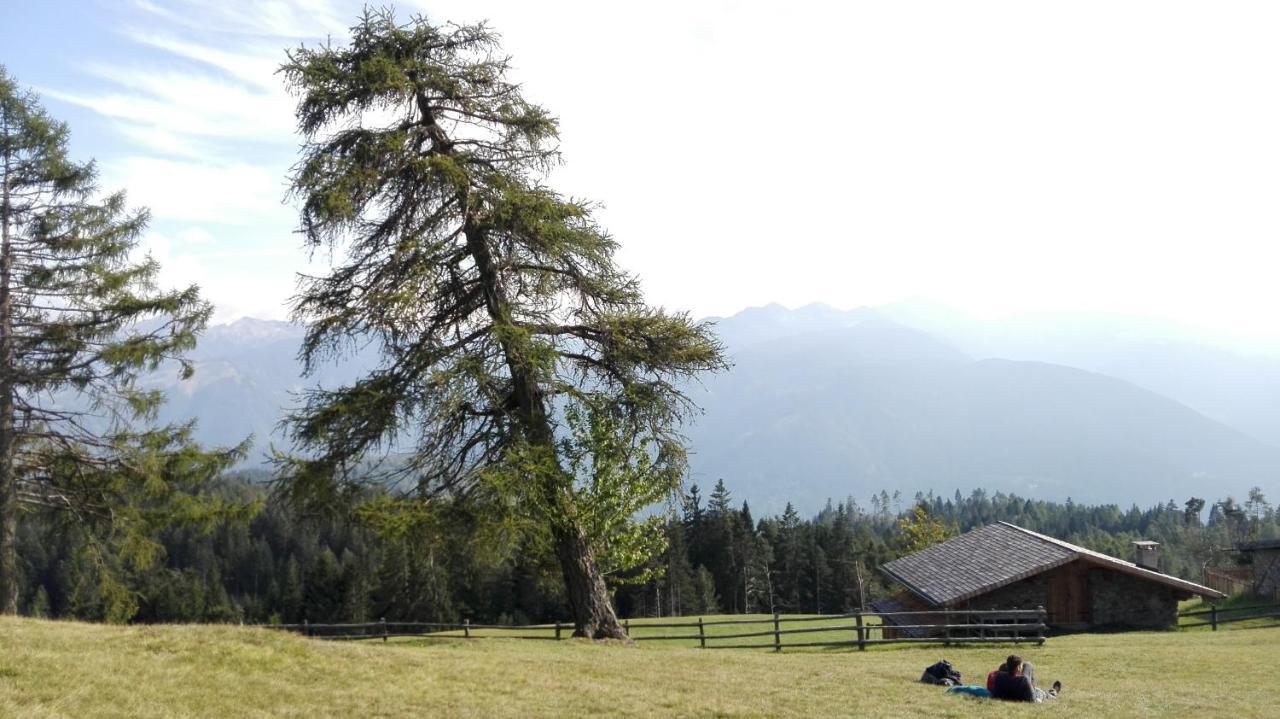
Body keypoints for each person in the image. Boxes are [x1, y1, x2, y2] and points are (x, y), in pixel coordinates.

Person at [990, 655, 1061, 703]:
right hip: (1026, 695)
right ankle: (1053, 692)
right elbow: (1032, 699)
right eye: (1021, 665)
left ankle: (1050, 691)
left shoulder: (999, 676)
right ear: (1018, 667)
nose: (1022, 667)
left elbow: (996, 695)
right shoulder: (1023, 679)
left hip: (1011, 694)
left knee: (1027, 665)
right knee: (1043, 693)